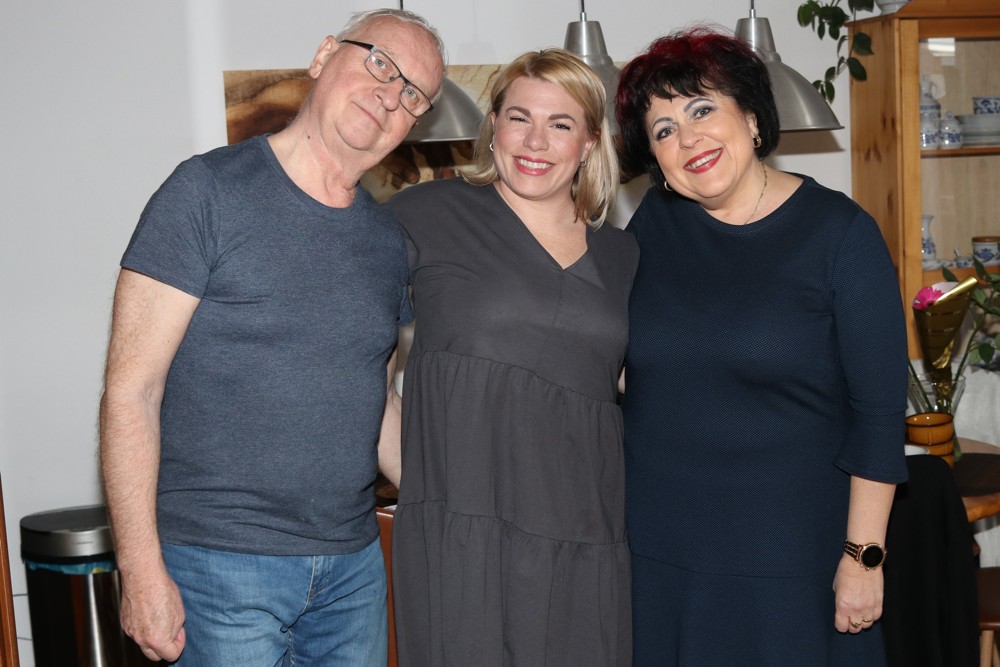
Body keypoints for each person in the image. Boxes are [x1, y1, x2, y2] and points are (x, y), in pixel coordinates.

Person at [98, 9, 444, 664]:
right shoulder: (204, 193)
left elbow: (374, 401)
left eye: (412, 95)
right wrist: (140, 570)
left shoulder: (386, 241)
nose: (389, 95)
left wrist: (454, 497)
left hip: (353, 572)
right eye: (380, 64)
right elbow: (131, 391)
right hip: (218, 567)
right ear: (324, 55)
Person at [615, 27, 909, 666]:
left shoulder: (840, 234)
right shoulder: (653, 228)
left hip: (793, 560)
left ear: (751, 117)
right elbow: (628, 366)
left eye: (701, 109)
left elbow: (881, 417)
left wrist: (864, 559)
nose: (687, 138)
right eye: (663, 129)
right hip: (660, 556)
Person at [385, 48, 637, 666]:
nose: (535, 141)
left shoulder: (624, 255)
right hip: (463, 533)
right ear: (493, 125)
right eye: (519, 117)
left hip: (586, 536)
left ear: (589, 142)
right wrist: (424, 484)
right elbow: (352, 366)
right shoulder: (424, 215)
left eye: (561, 124)